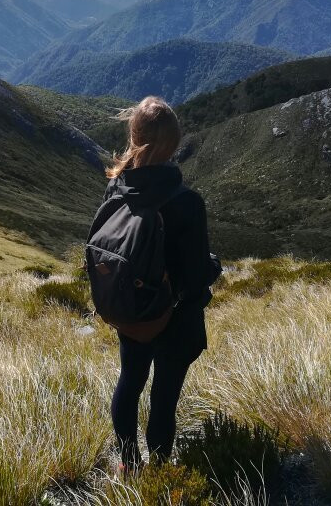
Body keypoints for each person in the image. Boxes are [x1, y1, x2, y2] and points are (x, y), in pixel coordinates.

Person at [100, 96, 221, 471]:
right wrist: (214, 268)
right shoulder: (187, 202)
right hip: (176, 314)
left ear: (134, 135)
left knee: (130, 380)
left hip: (131, 309)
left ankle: (128, 462)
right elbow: (197, 272)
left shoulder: (116, 190)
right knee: (164, 395)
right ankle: (159, 469)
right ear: (174, 144)